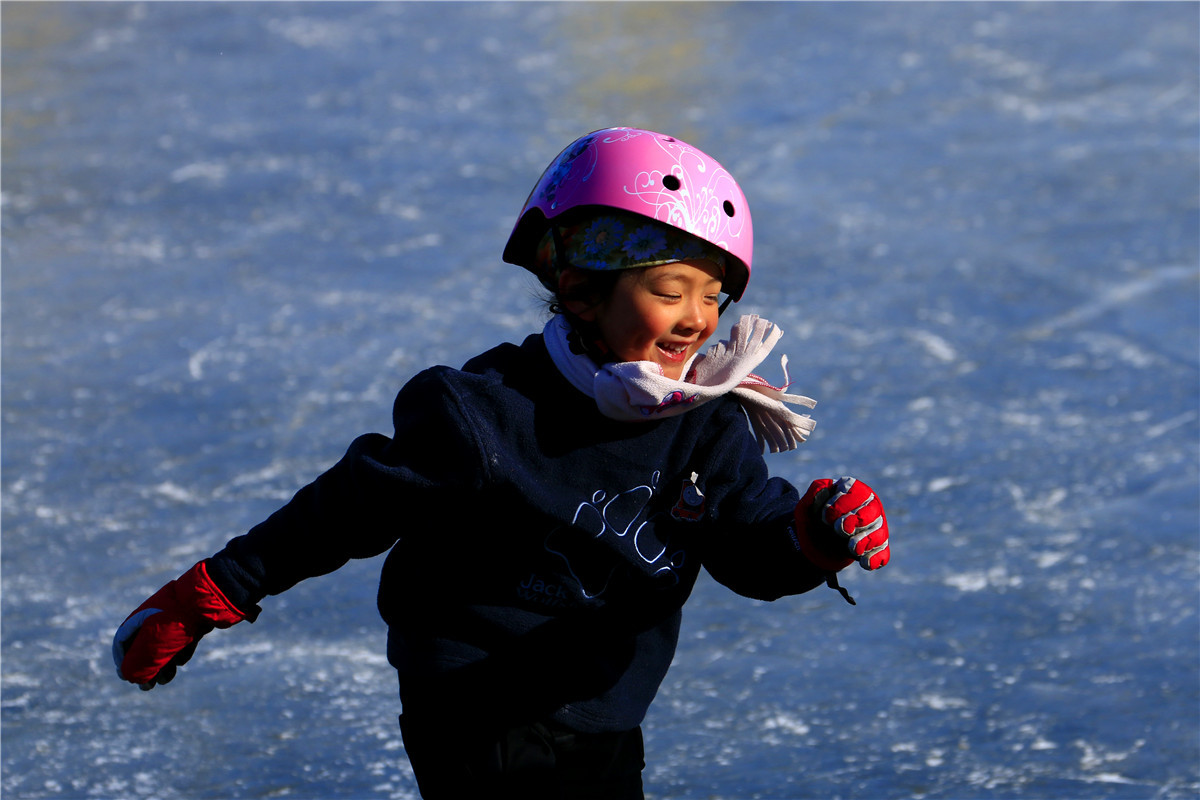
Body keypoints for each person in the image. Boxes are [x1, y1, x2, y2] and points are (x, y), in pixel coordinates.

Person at [112, 127, 891, 799]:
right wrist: (211, 593)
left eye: (713, 296)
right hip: (472, 696)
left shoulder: (706, 421)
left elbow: (744, 541)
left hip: (603, 697)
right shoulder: (487, 414)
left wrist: (811, 534)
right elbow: (345, 510)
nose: (698, 319)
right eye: (669, 290)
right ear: (582, 291)